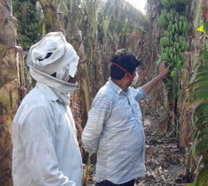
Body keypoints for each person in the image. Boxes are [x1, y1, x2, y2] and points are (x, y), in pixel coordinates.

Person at [82, 50, 169, 186]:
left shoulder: (127, 92)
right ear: (126, 75)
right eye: (134, 72)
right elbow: (90, 134)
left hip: (128, 171)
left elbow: (141, 92)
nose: (135, 75)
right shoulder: (106, 96)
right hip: (112, 175)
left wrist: (160, 76)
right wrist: (97, 153)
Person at [12, 32, 83, 186]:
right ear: (62, 71)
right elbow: (45, 178)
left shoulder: (57, 100)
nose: (76, 74)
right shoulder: (38, 108)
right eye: (72, 68)